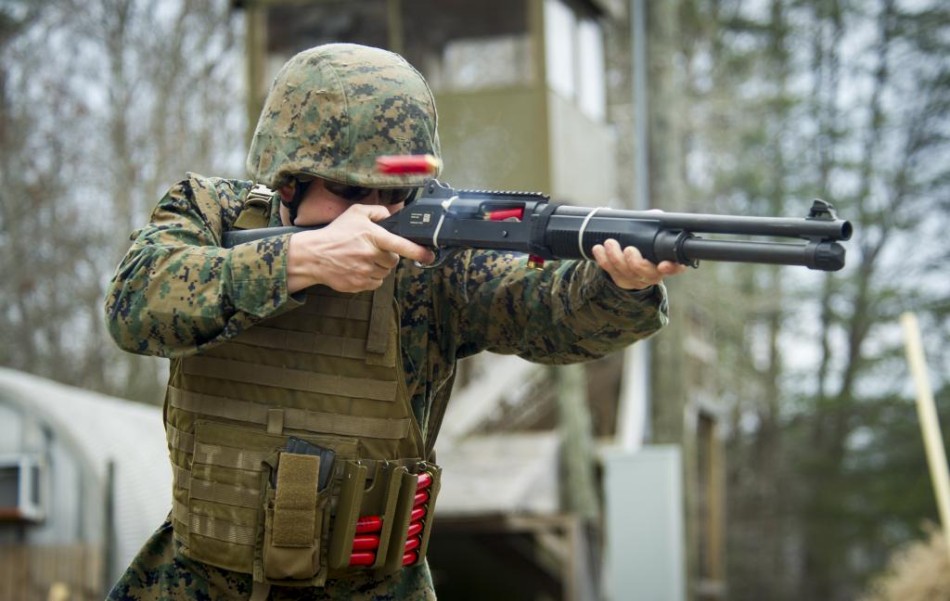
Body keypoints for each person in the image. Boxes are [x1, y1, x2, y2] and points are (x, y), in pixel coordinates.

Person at [103, 42, 686, 601]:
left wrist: (617, 284)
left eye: (397, 193)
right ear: (288, 178)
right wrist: (299, 261)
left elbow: (546, 310)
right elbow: (136, 305)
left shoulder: (432, 263)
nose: (377, 213)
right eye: (350, 189)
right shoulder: (210, 213)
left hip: (371, 589)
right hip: (198, 581)